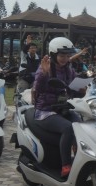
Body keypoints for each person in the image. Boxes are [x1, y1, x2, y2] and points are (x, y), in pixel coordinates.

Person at [33, 37, 85, 177]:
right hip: (46, 111)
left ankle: (81, 158)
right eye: (62, 55)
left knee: (81, 125)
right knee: (68, 128)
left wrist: (82, 88)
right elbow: (39, 88)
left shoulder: (69, 69)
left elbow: (72, 89)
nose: (65, 58)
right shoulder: (45, 68)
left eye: (68, 56)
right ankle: (66, 165)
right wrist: (43, 75)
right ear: (53, 55)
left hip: (62, 108)